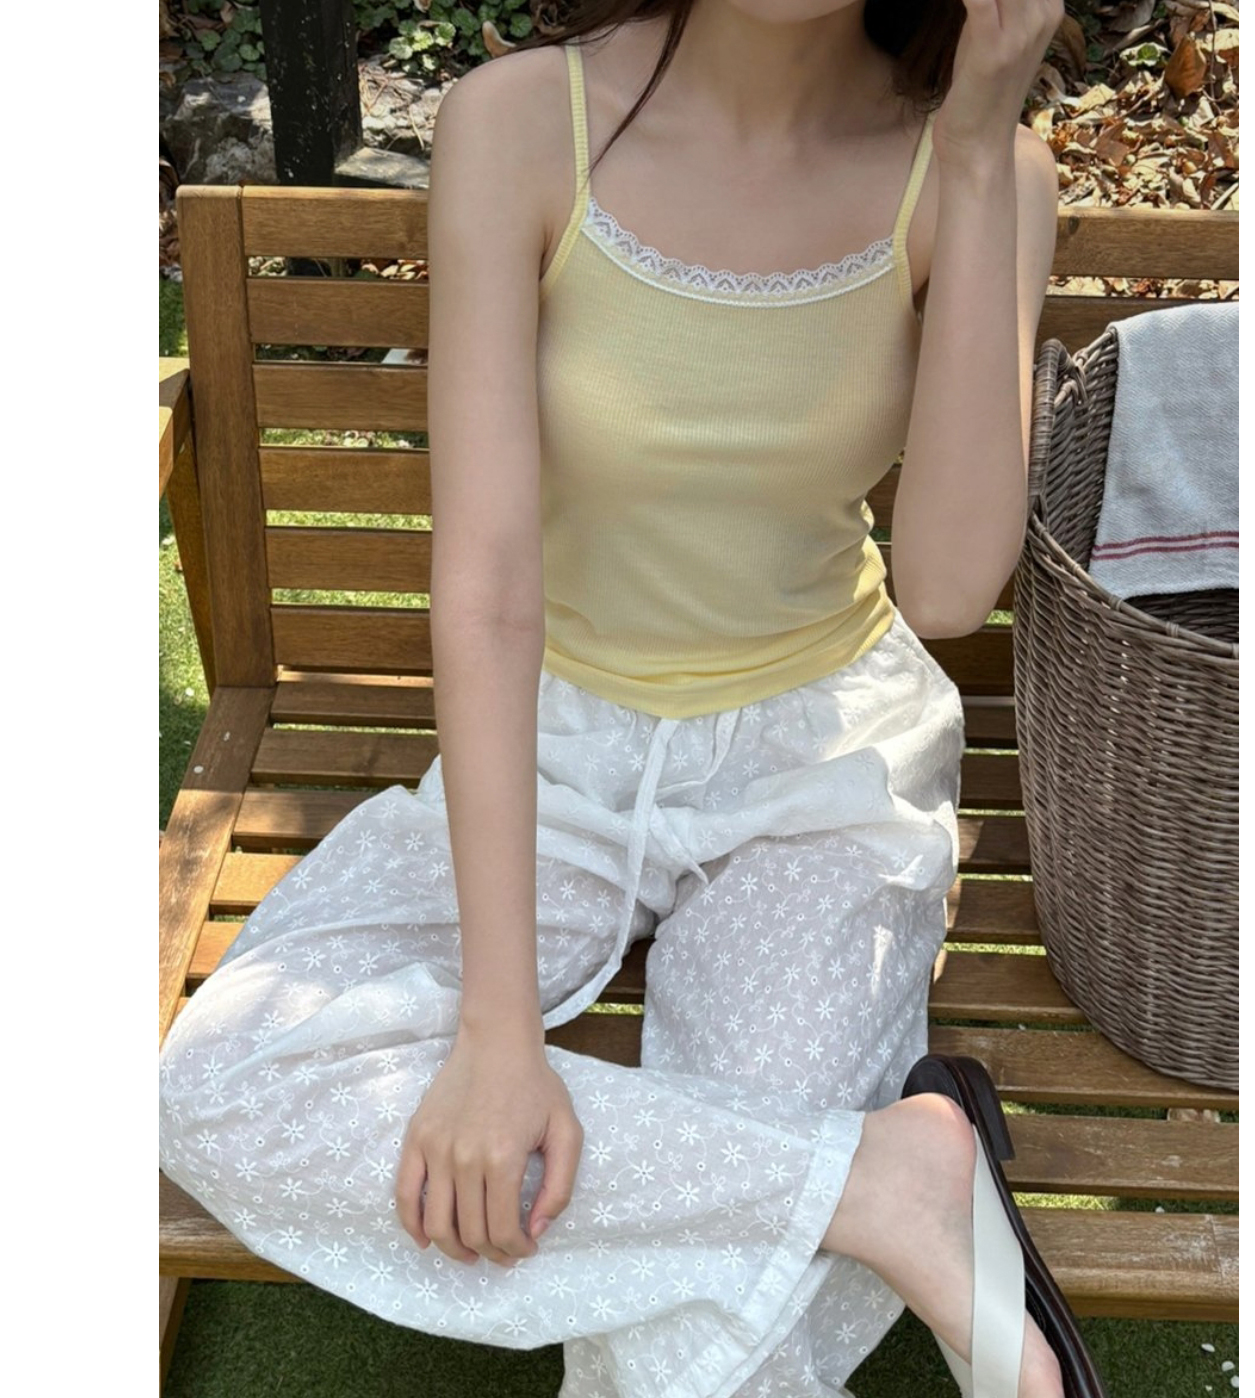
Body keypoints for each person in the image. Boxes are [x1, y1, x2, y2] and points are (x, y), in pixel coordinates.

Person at [158, 2, 1081, 1395]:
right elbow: (486, 590)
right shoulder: (524, 125)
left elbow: (949, 586)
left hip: (817, 768)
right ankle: (881, 1179)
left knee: (683, 1363)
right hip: (551, 747)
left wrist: (969, 148)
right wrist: (493, 1037)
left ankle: (845, 1190)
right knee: (230, 1084)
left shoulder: (984, 170)